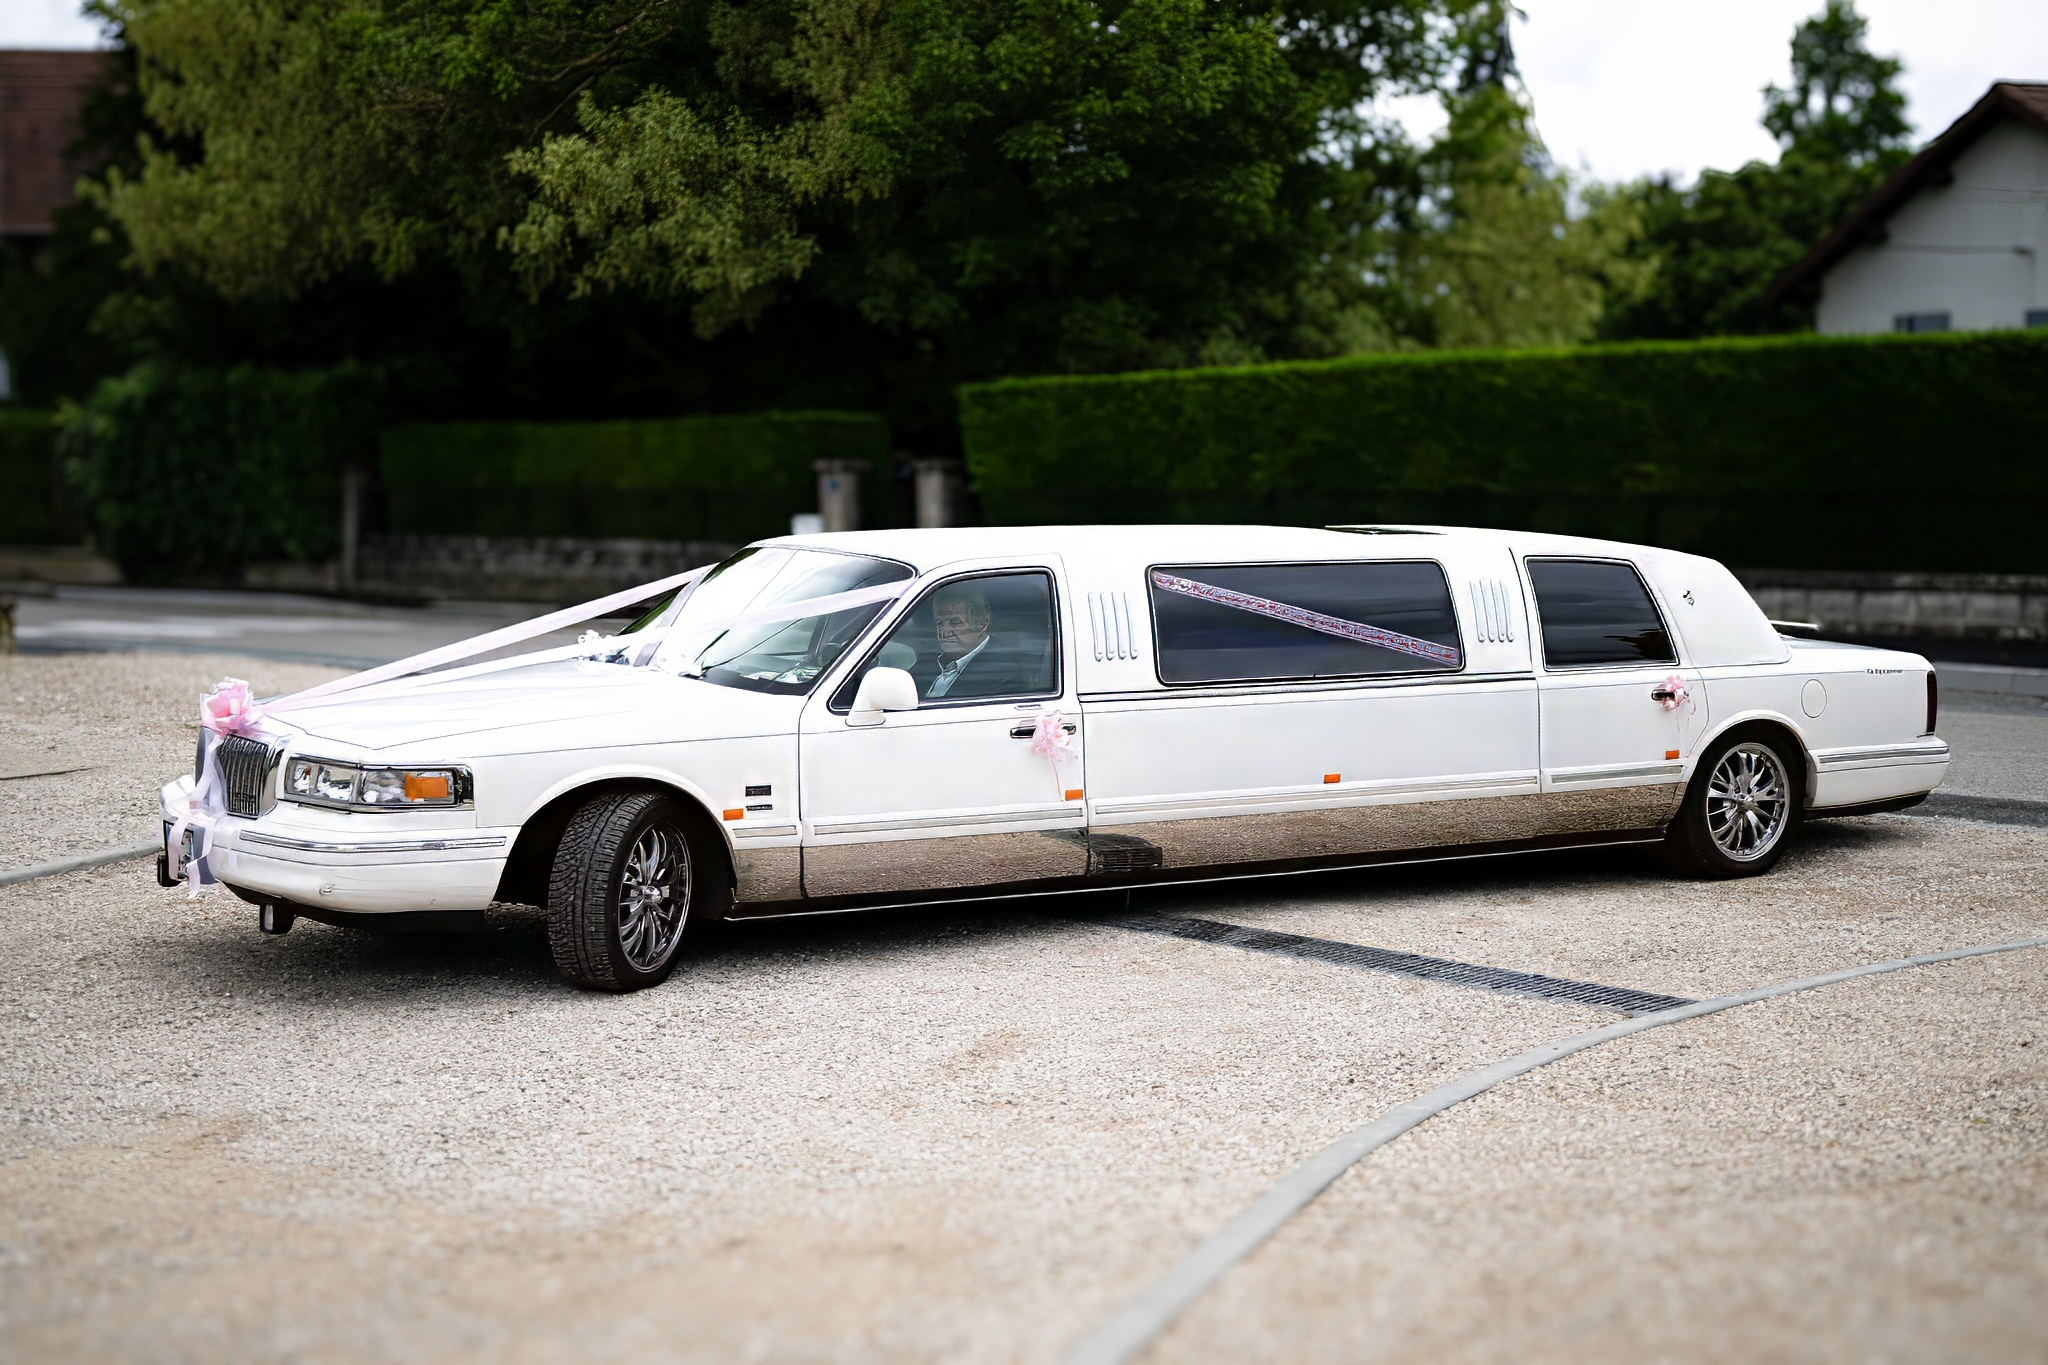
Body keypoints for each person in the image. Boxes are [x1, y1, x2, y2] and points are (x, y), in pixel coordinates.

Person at [914, 587, 1036, 699]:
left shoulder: (1004, 671)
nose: (944, 631)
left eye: (955, 622)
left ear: (982, 624)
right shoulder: (928, 663)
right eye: (940, 623)